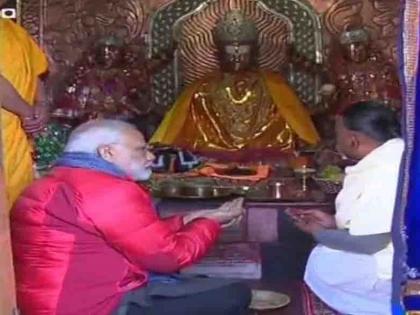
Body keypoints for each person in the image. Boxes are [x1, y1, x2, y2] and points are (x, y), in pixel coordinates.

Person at [11, 119, 251, 315]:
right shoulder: (104, 188)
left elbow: (129, 235)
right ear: (107, 152)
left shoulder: (61, 178)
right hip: (90, 307)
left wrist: (188, 220)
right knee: (233, 294)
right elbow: (170, 257)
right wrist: (210, 223)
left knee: (202, 283)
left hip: (55, 302)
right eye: (141, 149)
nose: (151, 157)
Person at [151, 10, 320, 163]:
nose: (237, 55)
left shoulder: (274, 85)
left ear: (254, 51)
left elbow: (298, 129)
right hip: (210, 157)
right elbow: (178, 133)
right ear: (218, 52)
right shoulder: (200, 88)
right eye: (230, 49)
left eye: (243, 48)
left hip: (267, 156)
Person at [286, 101, 403, 314]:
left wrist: (319, 233)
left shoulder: (386, 170)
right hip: (390, 250)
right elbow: (379, 219)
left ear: (353, 140)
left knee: (322, 261)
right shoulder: (388, 158)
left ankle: (383, 308)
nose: (335, 141)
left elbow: (371, 242)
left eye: (338, 134)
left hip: (395, 265)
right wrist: (332, 222)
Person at [0, 14, 49, 210]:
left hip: (18, 135)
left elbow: (36, 72)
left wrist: (42, 105)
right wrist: (26, 111)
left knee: (17, 205)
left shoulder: (13, 29)